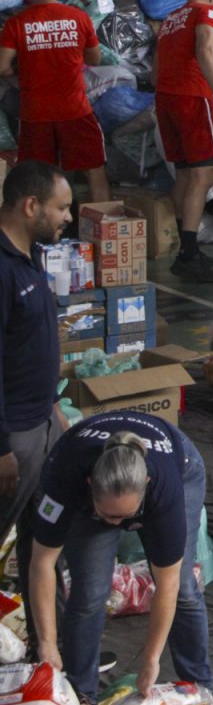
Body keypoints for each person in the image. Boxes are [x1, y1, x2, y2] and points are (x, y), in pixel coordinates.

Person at [29, 411, 213, 703]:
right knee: (89, 593)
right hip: (84, 477)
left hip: (180, 465)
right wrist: (48, 643)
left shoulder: (164, 491)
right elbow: (42, 563)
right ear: (89, 485)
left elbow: (167, 587)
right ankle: (81, 693)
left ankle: (198, 688)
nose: (116, 526)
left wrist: (152, 659)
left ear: (146, 488)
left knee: (185, 590)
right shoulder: (64, 478)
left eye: (125, 517)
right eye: (109, 516)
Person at [0, 161, 73, 655]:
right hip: (15, 438)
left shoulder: (31, 256)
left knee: (43, 539)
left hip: (42, 424)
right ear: (31, 206)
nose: (68, 216)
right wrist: (2, 446)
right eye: (61, 207)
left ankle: (48, 649)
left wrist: (53, 408)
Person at [0, 0, 110, 203]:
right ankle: (102, 233)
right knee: (94, 170)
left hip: (35, 113)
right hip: (75, 109)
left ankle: (40, 234)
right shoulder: (79, 18)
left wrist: (18, 75)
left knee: (36, 179)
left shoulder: (16, 23)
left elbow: (2, 66)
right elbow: (95, 58)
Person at [153, 0, 213, 284]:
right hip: (192, 98)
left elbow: (156, 69)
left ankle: (182, 247)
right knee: (203, 176)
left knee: (184, 175)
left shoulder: (172, 18)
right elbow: (206, 49)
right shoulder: (207, 13)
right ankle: (188, 253)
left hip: (167, 99)